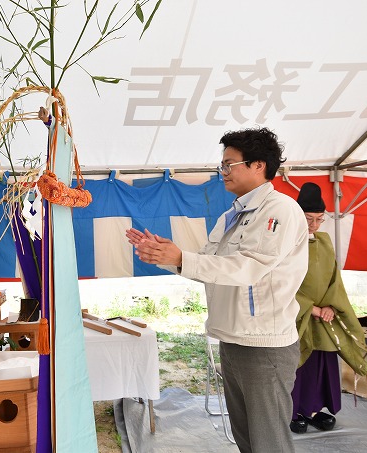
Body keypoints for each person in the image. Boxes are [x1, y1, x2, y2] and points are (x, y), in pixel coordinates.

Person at [126, 127, 308, 453]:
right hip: (232, 340)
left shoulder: (280, 210)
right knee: (246, 437)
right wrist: (172, 258)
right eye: (221, 164)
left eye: (229, 164)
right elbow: (209, 267)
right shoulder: (230, 216)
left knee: (269, 443)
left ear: (258, 165)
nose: (222, 172)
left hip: (264, 345)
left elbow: (249, 267)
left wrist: (184, 258)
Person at [289, 182, 367, 434]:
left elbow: (335, 279)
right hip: (297, 315)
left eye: (319, 219)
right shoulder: (287, 243)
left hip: (325, 315)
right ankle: (293, 411)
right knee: (298, 364)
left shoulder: (325, 242)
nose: (314, 225)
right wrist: (310, 308)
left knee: (322, 363)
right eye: (307, 219)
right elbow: (280, 282)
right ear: (296, 217)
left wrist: (332, 308)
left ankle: (314, 409)